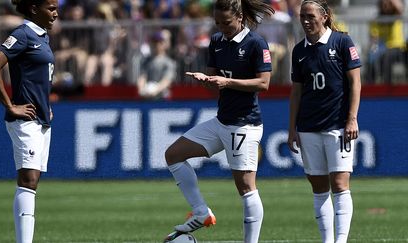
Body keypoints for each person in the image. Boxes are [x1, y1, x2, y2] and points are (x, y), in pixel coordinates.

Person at [164, 0, 274, 242]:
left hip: (245, 123)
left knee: (246, 188)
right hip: (222, 121)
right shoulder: (216, 42)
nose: (222, 27)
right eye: (217, 22)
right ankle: (201, 212)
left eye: (227, 22)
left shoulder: (256, 43)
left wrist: (227, 83)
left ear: (240, 18)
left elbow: (264, 83)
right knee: (173, 154)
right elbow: (216, 85)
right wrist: (207, 82)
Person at [0, 0, 58, 242]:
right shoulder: (23, 34)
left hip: (40, 119)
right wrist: (9, 105)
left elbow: (37, 79)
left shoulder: (42, 36)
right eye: (51, 8)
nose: (56, 13)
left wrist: (45, 106)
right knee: (28, 180)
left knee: (32, 181)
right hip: (25, 120)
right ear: (35, 8)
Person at [287, 1, 361, 243]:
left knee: (340, 184)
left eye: (310, 16)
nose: (306, 21)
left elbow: (355, 84)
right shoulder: (299, 51)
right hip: (308, 127)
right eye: (302, 16)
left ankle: (340, 240)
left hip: (338, 125)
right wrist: (292, 128)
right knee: (318, 187)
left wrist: (352, 119)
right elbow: (296, 92)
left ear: (325, 16)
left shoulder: (342, 42)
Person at [137, 29, 176, 100]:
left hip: (162, 99)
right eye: (154, 42)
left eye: (159, 42)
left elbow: (167, 80)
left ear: (164, 44)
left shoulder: (168, 62)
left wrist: (155, 90)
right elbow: (142, 77)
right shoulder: (146, 60)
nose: (156, 45)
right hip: (147, 97)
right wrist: (141, 90)